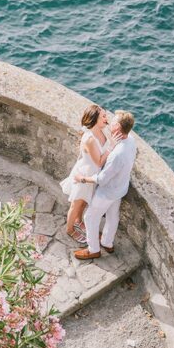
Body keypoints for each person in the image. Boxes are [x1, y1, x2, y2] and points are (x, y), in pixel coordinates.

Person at [73, 110, 137, 259]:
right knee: (112, 216)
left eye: (113, 121)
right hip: (121, 188)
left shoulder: (116, 154)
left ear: (118, 127)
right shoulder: (131, 140)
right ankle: (107, 243)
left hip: (107, 192)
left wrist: (82, 178)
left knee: (89, 217)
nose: (110, 121)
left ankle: (93, 249)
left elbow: (102, 179)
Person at [59, 105, 115, 245]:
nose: (105, 118)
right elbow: (99, 162)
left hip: (93, 176)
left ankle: (78, 221)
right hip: (85, 174)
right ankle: (70, 229)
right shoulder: (90, 139)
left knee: (84, 202)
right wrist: (111, 147)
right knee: (77, 204)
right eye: (103, 116)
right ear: (95, 119)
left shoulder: (102, 132)